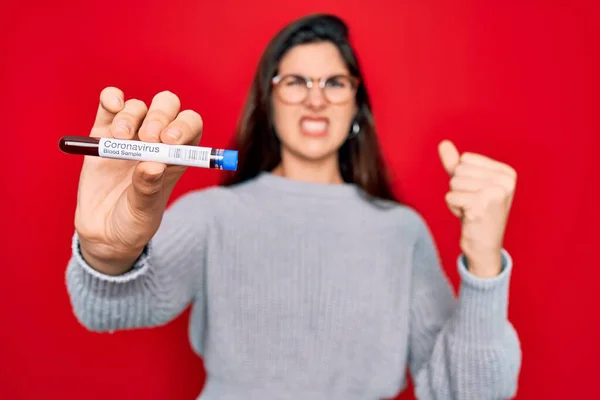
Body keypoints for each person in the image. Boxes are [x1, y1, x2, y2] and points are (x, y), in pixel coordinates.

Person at [65, 13, 522, 400]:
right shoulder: (213, 215)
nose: (316, 98)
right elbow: (105, 309)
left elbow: (469, 391)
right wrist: (105, 254)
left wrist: (483, 265)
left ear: (356, 105)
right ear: (268, 100)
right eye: (296, 81)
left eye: (335, 82)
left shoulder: (403, 231)